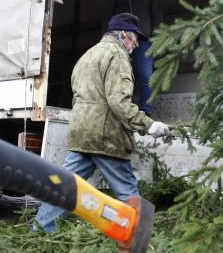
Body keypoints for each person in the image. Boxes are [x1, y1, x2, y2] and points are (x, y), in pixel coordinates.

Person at [33, 13, 170, 232]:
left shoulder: (87, 55)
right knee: (128, 192)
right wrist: (148, 125)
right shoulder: (117, 56)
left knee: (66, 189)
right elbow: (118, 101)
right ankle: (140, 240)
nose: (136, 44)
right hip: (106, 136)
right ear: (124, 33)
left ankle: (38, 233)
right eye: (135, 38)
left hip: (81, 134)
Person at [104, 0, 163, 116]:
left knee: (146, 76)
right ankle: (120, 110)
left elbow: (157, 14)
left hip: (143, 39)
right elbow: (107, 13)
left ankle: (146, 112)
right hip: (121, 39)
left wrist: (158, 40)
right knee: (119, 74)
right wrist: (105, 37)